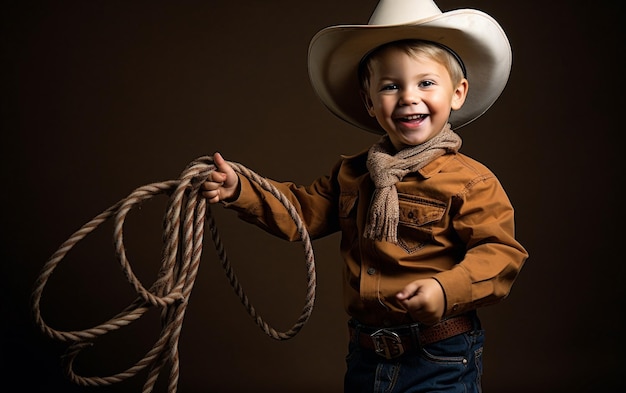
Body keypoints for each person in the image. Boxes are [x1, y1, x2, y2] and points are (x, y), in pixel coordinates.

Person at [202, 0, 528, 392]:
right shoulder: (354, 174)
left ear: (457, 94)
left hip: (439, 355)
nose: (409, 96)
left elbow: (500, 254)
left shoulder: (470, 183)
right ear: (370, 102)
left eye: (426, 83)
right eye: (391, 86)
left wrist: (445, 290)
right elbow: (302, 212)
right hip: (367, 354)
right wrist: (241, 189)